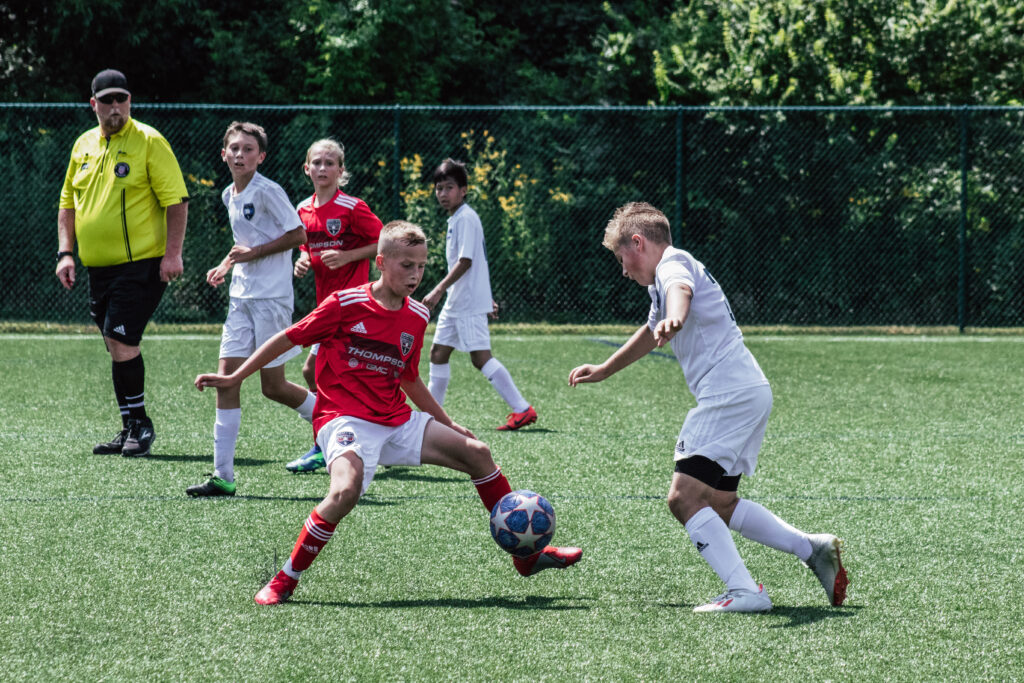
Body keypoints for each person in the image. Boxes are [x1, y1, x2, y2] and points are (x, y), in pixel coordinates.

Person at [195, 221, 582, 605]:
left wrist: (447, 422)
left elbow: (410, 378)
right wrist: (237, 376)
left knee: (478, 453)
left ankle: (527, 558)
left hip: (395, 419)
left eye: (421, 266)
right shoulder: (344, 304)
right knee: (344, 491)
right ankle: (286, 578)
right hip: (342, 419)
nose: (415, 275)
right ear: (381, 262)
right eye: (406, 266)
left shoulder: (417, 315)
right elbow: (287, 337)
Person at [568, 202, 848, 613]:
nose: (623, 270)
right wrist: (607, 369)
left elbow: (681, 293)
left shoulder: (672, 265)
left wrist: (676, 319)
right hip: (748, 390)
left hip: (728, 394)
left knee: (682, 498)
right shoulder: (660, 281)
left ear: (638, 242)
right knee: (718, 502)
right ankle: (812, 548)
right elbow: (651, 329)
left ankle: (745, 591)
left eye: (621, 258)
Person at [56, 68, 189, 458]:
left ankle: (140, 424)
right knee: (115, 343)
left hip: (142, 264)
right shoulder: (82, 144)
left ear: (130, 101)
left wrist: (173, 253)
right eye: (108, 100)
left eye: (122, 99)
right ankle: (129, 423)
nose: (116, 107)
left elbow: (177, 200)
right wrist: (66, 252)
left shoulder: (150, 141)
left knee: (121, 339)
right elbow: (68, 204)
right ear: (93, 104)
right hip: (98, 268)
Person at [185, 122, 316, 497]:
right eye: (234, 148)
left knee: (273, 388)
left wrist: (254, 254)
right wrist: (226, 266)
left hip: (271, 299)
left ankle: (335, 423)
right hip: (240, 299)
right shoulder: (229, 193)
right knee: (227, 379)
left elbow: (298, 235)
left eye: (248, 149)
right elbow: (243, 243)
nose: (240, 154)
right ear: (223, 153)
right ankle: (223, 476)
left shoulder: (269, 191)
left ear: (261, 156)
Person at [284, 138, 382, 474]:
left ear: (341, 170)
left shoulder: (353, 207)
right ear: (306, 168)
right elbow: (304, 247)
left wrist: (347, 256)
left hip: (354, 305)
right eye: (317, 162)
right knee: (338, 376)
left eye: (330, 163)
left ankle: (325, 445)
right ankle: (360, 439)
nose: (322, 168)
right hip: (326, 305)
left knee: (317, 372)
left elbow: (382, 243)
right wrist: (302, 260)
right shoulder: (302, 210)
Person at [422, 158, 536, 431]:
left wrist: (438, 289)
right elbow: (476, 261)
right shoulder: (457, 218)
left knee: (480, 357)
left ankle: (522, 409)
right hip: (460, 299)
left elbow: (466, 261)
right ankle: (431, 418)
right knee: (438, 353)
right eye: (439, 188)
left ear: (463, 190)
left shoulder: (466, 218)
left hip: (465, 301)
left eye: (449, 187)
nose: (443, 194)